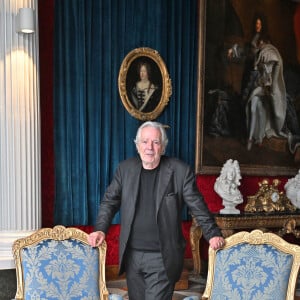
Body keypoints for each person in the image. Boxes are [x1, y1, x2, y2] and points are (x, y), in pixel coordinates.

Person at [88, 121, 225, 300]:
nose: (149, 147)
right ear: (137, 146)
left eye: (155, 142)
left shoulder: (180, 171)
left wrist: (213, 233)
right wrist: (100, 229)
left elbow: (197, 206)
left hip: (163, 257)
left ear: (163, 147)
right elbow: (109, 202)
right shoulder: (125, 169)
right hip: (132, 256)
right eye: (144, 142)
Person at [245, 37, 287, 150]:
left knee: (261, 111)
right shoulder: (258, 55)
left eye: (262, 42)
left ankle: (259, 138)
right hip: (258, 88)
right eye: (260, 43)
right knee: (253, 108)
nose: (261, 44)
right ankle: (250, 138)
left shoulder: (271, 55)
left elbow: (275, 67)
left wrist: (270, 88)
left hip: (266, 90)